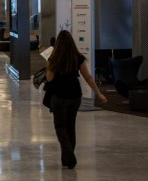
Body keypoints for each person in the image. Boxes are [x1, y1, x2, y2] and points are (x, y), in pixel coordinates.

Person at [46, 30, 107, 169]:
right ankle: (67, 158)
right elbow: (88, 77)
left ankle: (69, 156)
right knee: (70, 125)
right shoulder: (78, 57)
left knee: (60, 126)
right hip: (75, 94)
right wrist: (98, 94)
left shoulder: (54, 58)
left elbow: (49, 78)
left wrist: (49, 67)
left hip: (59, 95)